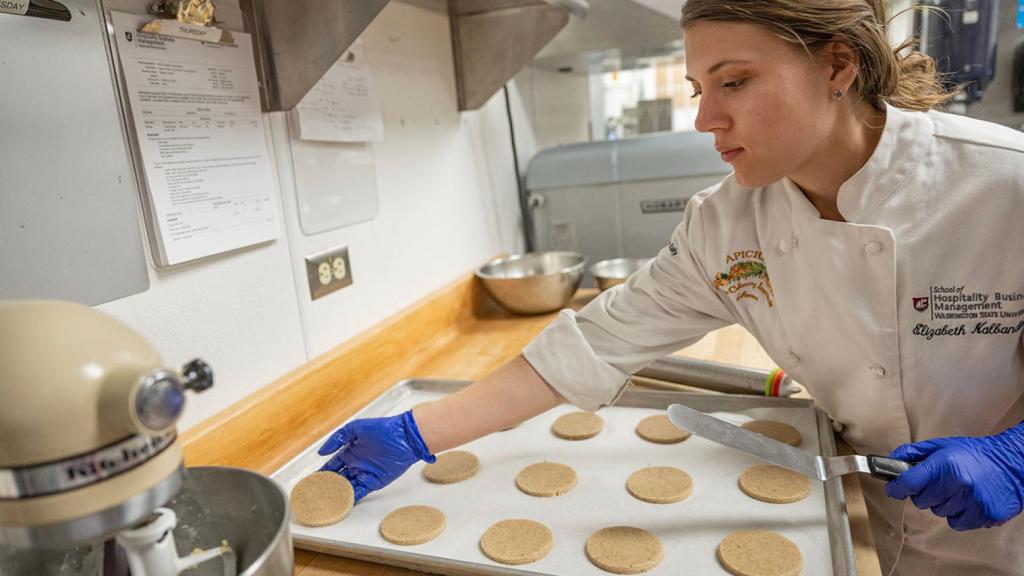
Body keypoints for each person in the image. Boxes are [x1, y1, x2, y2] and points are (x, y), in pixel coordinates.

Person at [316, 1, 1024, 574]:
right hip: (888, 524)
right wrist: (418, 433)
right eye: (698, 88)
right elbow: (592, 346)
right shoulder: (726, 225)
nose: (705, 118)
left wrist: (1015, 454)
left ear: (837, 64)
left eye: (734, 81)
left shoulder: (1003, 185)